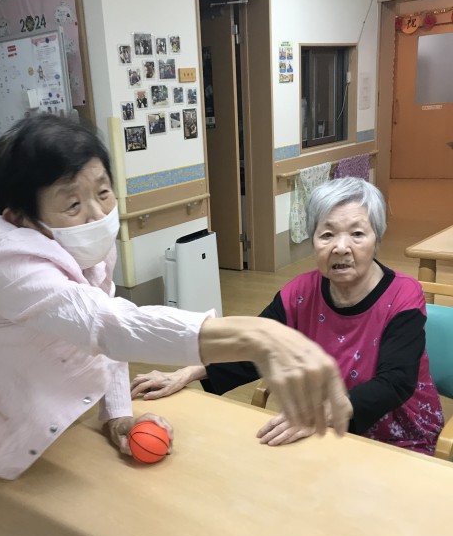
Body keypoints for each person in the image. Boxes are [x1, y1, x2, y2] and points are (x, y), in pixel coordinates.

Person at [0, 115, 351, 504]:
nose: (97, 215)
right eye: (72, 203)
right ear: (20, 216)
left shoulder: (81, 243)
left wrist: (117, 416)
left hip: (0, 377)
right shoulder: (8, 260)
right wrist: (259, 335)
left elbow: (104, 328)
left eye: (103, 192)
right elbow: (109, 325)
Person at [132, 177, 444, 455]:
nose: (341, 247)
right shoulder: (300, 293)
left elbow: (395, 382)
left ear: (377, 239)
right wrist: (186, 373)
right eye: (327, 235)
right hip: (323, 431)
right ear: (313, 241)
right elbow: (254, 345)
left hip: (398, 437)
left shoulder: (403, 295)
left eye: (357, 234)